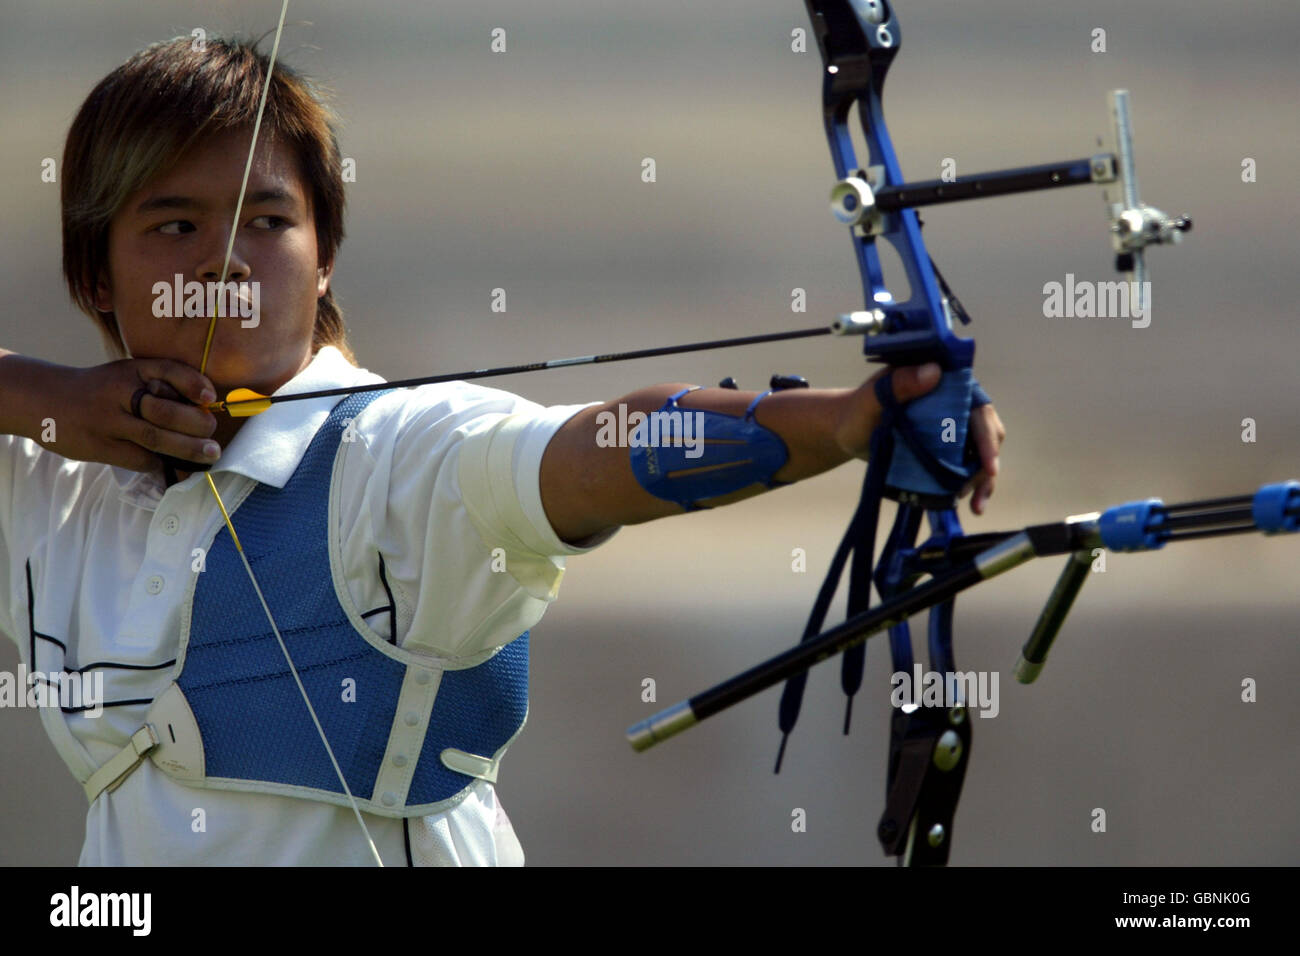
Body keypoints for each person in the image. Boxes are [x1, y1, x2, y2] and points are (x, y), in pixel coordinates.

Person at [0, 35, 1003, 865]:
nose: (226, 259)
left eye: (269, 220)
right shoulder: (52, 479)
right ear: (95, 273)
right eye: (175, 223)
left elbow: (591, 451)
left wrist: (840, 421)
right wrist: (49, 399)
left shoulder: (395, 456)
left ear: (323, 258)